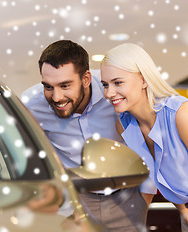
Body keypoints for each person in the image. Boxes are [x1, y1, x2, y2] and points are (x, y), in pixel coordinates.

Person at [22, 40, 154, 231]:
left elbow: (146, 139)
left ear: (86, 79)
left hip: (127, 196)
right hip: (74, 201)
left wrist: (144, 198)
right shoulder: (32, 105)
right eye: (48, 87)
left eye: (65, 85)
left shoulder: (114, 90)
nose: (56, 97)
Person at [100, 42, 188, 232]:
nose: (109, 93)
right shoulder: (124, 126)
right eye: (105, 84)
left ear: (144, 80)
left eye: (118, 82)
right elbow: (164, 180)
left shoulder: (182, 113)